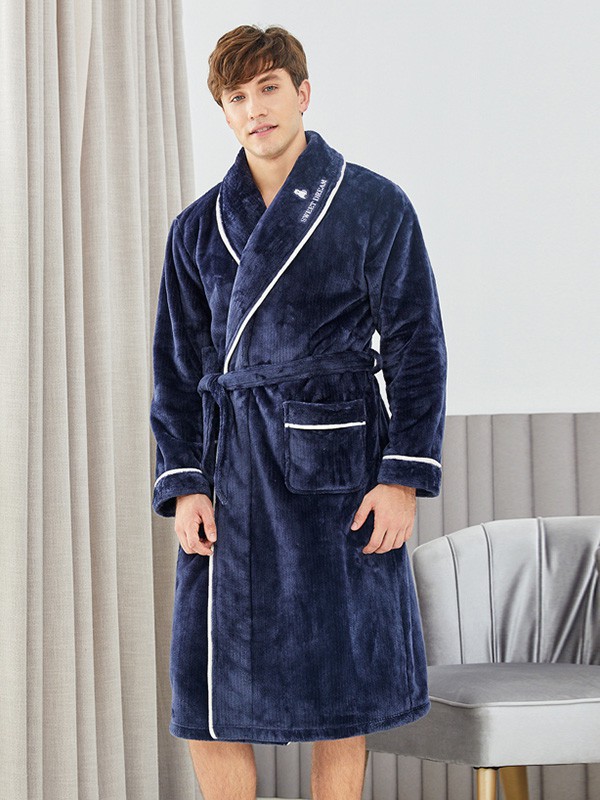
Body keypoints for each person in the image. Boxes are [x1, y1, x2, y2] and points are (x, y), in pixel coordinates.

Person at [149, 23, 448, 800]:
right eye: (236, 97)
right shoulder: (196, 229)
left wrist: (402, 478)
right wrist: (184, 483)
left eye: (268, 88)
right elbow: (177, 370)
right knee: (207, 695)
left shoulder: (374, 205)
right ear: (223, 111)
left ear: (303, 92)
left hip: (337, 471)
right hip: (229, 474)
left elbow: (416, 344)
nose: (255, 109)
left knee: (337, 681)